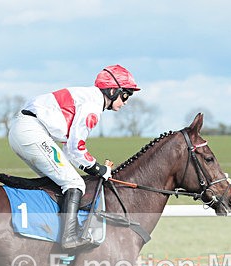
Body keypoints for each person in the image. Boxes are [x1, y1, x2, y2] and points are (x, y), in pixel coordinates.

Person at [8, 64, 140, 250]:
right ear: (112, 90)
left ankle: (47, 231)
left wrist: (92, 166)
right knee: (75, 184)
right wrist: (98, 169)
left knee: (58, 182)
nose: (126, 101)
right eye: (126, 94)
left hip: (25, 130)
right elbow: (75, 148)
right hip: (32, 131)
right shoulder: (92, 107)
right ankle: (69, 237)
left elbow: (71, 150)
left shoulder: (88, 97)